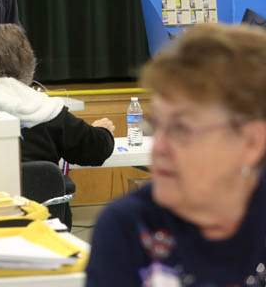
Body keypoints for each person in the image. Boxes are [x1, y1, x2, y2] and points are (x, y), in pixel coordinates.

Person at [86, 24, 266, 286]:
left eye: (181, 129)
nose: (158, 148)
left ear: (251, 142)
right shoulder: (131, 228)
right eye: (157, 125)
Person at [0, 24, 115, 228]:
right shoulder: (49, 111)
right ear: (29, 63)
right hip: (44, 229)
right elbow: (96, 150)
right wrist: (103, 131)